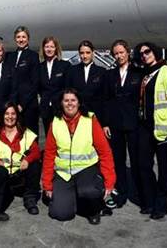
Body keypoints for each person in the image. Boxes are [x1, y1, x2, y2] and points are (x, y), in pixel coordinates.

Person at [42, 89, 116, 224]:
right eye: (66, 100)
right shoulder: (55, 123)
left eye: (73, 100)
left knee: (89, 191)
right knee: (60, 213)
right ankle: (72, 199)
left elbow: (105, 152)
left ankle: (92, 209)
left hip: (86, 170)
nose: (70, 104)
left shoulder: (90, 120)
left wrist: (109, 181)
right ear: (61, 103)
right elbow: (49, 155)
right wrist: (47, 184)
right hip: (63, 173)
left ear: (79, 102)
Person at [134, 42, 167, 220]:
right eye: (142, 53)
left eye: (148, 51)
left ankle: (162, 206)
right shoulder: (144, 74)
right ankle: (150, 200)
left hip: (163, 128)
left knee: (165, 169)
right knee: (143, 165)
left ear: (155, 52)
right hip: (145, 127)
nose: (145, 55)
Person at [101, 39, 143, 209]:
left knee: (136, 160)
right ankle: (122, 193)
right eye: (116, 53)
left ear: (128, 52)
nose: (119, 56)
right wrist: (105, 123)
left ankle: (139, 193)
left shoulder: (138, 73)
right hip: (115, 124)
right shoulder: (110, 75)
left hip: (134, 124)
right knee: (118, 160)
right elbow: (106, 100)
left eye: (121, 52)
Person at [0, 102, 41, 215]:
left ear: (17, 116)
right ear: (2, 115)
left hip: (20, 176)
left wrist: (27, 160)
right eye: (7, 113)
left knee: (35, 164)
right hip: (4, 176)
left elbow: (36, 152)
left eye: (13, 114)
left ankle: (30, 199)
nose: (10, 117)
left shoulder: (26, 133)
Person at [7, 26, 40, 135]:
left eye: (23, 37)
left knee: (30, 136)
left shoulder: (33, 56)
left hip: (28, 105)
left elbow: (35, 83)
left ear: (28, 39)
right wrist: (13, 104)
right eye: (18, 37)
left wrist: (22, 104)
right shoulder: (10, 56)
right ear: (15, 39)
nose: (21, 40)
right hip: (14, 105)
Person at [66, 40, 107, 121]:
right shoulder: (72, 71)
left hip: (96, 115)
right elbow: (67, 93)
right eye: (82, 53)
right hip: (77, 115)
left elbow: (105, 98)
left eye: (88, 53)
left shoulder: (101, 71)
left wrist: (105, 122)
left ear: (93, 53)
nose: (84, 56)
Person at [38, 36, 70, 135]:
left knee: (62, 135)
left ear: (56, 48)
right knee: (49, 135)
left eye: (52, 46)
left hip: (60, 108)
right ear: (43, 49)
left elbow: (67, 87)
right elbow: (39, 88)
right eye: (47, 46)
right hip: (46, 108)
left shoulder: (64, 65)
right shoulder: (40, 67)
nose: (49, 49)